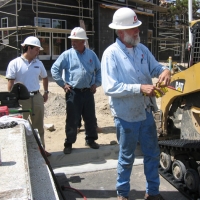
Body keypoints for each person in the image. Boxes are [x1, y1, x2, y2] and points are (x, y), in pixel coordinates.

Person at [101, 7, 171, 200]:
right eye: (133, 28)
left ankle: (153, 193)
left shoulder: (142, 50)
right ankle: (122, 194)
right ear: (120, 32)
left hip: (146, 112)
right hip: (126, 117)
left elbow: (155, 67)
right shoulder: (111, 54)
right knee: (126, 157)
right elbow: (110, 87)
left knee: (152, 153)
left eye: (137, 27)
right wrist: (139, 88)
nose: (137, 31)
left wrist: (165, 70)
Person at [51, 27, 101, 154]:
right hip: (73, 92)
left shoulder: (91, 55)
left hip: (88, 92)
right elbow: (54, 69)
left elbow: (99, 70)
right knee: (72, 119)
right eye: (72, 40)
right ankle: (69, 143)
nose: (73, 42)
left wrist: (96, 83)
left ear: (83, 41)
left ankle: (90, 140)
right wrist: (63, 84)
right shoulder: (67, 55)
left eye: (76, 40)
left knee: (90, 118)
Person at [6, 36, 51, 157]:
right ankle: (24, 153)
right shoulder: (15, 63)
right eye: (36, 49)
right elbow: (10, 82)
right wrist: (12, 99)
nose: (38, 52)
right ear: (29, 48)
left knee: (38, 126)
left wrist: (46, 92)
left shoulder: (39, 63)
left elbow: (45, 77)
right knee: (21, 125)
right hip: (21, 99)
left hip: (36, 98)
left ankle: (41, 150)